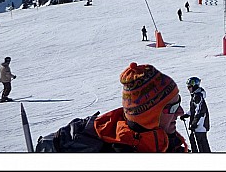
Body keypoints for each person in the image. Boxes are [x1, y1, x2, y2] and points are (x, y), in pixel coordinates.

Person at [35, 62, 188, 152]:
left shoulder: (166, 142)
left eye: (179, 102)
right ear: (148, 117)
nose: (180, 112)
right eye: (172, 108)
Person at [180, 77, 211, 152]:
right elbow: (194, 109)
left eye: (189, 87)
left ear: (195, 86)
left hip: (200, 126)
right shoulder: (195, 96)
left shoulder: (197, 97)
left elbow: (200, 112)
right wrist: (187, 115)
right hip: (198, 126)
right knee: (195, 142)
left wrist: (194, 123)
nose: (188, 89)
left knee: (201, 145)